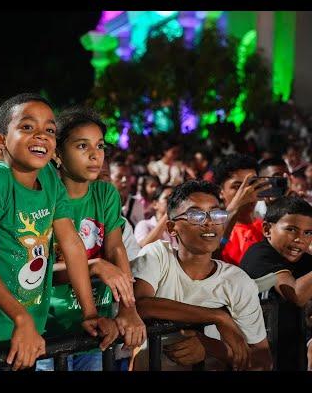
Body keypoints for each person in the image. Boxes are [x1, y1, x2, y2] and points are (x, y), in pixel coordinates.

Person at [0, 93, 118, 371]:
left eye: (49, 130)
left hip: (25, 335)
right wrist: (21, 318)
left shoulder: (49, 178)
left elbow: (72, 244)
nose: (41, 136)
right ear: (1, 140)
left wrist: (90, 312)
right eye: (27, 127)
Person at [38, 107, 145, 371]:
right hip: (49, 328)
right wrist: (94, 265)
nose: (95, 154)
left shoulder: (105, 193)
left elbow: (116, 249)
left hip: (96, 325)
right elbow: (38, 272)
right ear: (58, 154)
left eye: (99, 146)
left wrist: (128, 309)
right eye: (82, 145)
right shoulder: (43, 196)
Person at [130, 180, 272, 371]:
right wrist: (218, 317)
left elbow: (263, 361)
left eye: (216, 213)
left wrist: (211, 347)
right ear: (172, 228)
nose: (209, 222)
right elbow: (141, 305)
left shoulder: (237, 281)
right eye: (195, 215)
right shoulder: (158, 255)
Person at [240, 196, 312, 370]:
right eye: (291, 229)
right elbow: (296, 295)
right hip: (261, 358)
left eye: (308, 233)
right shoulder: (258, 255)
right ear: (266, 229)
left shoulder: (305, 261)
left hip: (293, 354)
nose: (299, 239)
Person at [213, 154, 269, 266]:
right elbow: (209, 256)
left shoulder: (268, 227)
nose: (247, 191)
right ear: (220, 192)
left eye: (252, 184)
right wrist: (236, 205)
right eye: (238, 186)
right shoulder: (210, 230)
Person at [110, 160, 145, 227]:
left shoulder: (137, 204)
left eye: (128, 177)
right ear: (109, 179)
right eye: (119, 177)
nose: (124, 180)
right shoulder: (101, 206)